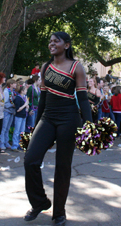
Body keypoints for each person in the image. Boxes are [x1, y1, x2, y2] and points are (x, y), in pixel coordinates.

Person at [23, 32, 92, 226]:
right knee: (30, 160)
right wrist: (36, 126)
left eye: (57, 41)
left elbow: (83, 99)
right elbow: (43, 99)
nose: (52, 44)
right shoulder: (46, 67)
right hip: (47, 118)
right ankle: (40, 202)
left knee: (62, 167)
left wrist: (89, 124)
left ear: (67, 45)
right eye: (50, 41)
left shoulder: (76, 67)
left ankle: (59, 213)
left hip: (69, 119)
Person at [0, 79, 16, 150]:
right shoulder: (6, 91)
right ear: (11, 84)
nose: (16, 85)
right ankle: (1, 143)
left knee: (8, 128)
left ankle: (6, 141)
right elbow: (4, 103)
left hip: (11, 112)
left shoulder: (13, 92)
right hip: (6, 111)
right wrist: (12, 105)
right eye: (14, 83)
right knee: (4, 128)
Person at [11, 84, 29, 151]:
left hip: (23, 116)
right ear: (22, 91)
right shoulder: (18, 98)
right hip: (19, 116)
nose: (26, 91)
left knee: (22, 131)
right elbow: (18, 109)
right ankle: (14, 145)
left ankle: (20, 145)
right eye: (25, 90)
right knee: (17, 131)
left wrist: (27, 106)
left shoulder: (24, 97)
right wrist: (25, 105)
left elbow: (26, 106)